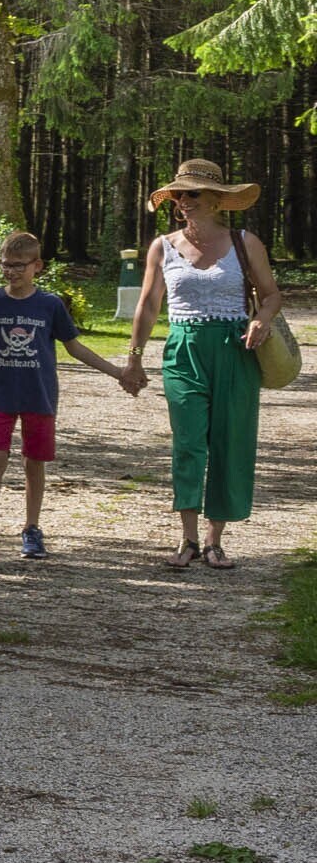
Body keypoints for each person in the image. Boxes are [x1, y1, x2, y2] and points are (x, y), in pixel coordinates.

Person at [0, 230, 144, 563]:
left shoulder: (50, 305)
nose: (11, 271)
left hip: (39, 397)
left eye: (19, 265)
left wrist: (119, 373)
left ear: (37, 266)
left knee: (33, 463)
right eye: (5, 265)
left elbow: (75, 348)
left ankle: (31, 529)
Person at [123, 158, 279, 571]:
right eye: (178, 194)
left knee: (230, 441)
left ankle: (214, 541)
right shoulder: (162, 246)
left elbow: (271, 294)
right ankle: (187, 538)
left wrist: (262, 319)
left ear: (215, 199)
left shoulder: (245, 242)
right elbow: (148, 304)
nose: (183, 200)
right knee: (188, 442)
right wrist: (135, 358)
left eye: (192, 193)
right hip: (184, 350)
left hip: (235, 351)